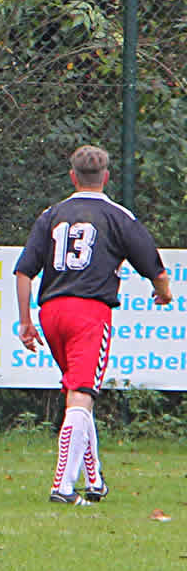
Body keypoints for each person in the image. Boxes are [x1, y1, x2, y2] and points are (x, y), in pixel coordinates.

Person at [14, 145, 171, 506]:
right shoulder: (117, 216)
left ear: (72, 176)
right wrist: (163, 293)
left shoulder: (51, 215)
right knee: (81, 394)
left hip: (50, 311)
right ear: (106, 177)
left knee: (78, 391)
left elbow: (24, 271)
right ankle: (63, 486)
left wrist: (25, 320)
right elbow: (155, 267)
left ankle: (94, 478)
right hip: (89, 312)